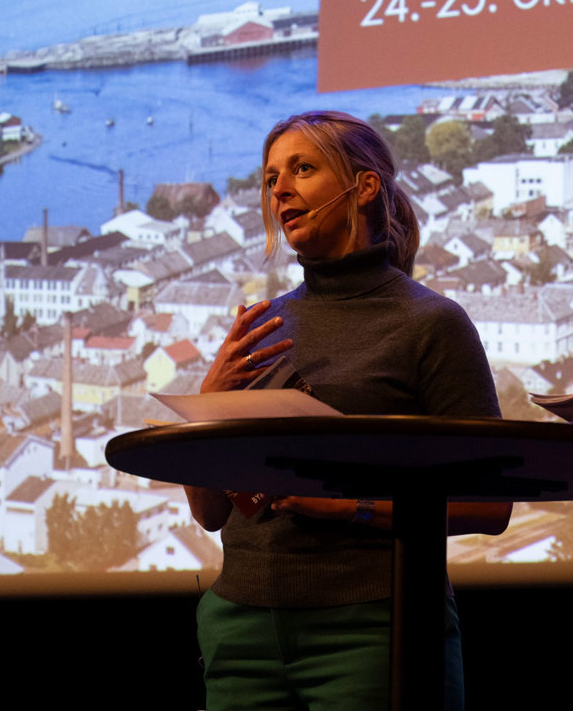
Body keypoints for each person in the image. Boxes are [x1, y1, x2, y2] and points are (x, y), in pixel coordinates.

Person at [186, 110, 509, 711]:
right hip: (240, 628)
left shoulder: (430, 323)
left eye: (302, 169)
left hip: (373, 625)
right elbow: (208, 511)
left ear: (363, 187)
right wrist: (210, 400)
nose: (279, 188)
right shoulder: (262, 326)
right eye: (270, 177)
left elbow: (491, 505)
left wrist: (353, 507)